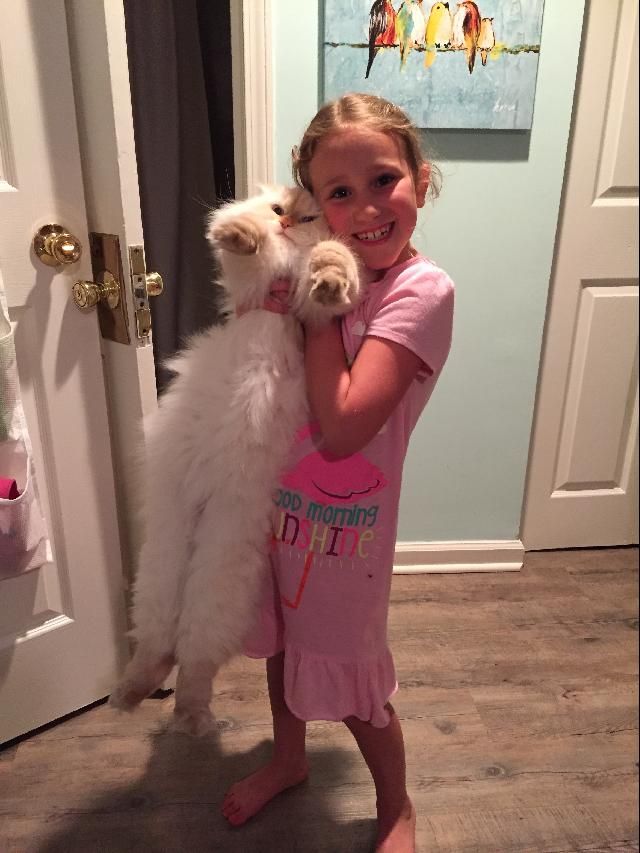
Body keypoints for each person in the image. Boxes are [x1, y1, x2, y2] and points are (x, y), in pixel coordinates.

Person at [222, 93, 454, 853]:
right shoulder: (312, 262)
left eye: (384, 178)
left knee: (355, 683)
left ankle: (396, 806)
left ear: (421, 178)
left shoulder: (421, 293)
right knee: (282, 641)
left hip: (347, 534)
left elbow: (347, 425)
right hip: (274, 505)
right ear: (316, 205)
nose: (366, 208)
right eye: (339, 192)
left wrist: (315, 309)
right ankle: (289, 760)